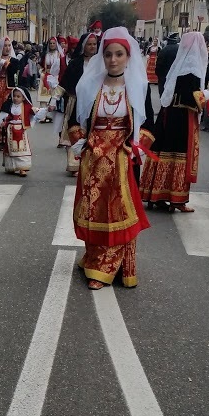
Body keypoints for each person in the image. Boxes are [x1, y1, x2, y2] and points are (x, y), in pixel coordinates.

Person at [68, 27, 154, 289]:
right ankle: (94, 257)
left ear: (128, 57)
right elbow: (75, 121)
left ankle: (108, 266)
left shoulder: (138, 87)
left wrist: (136, 148)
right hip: (94, 158)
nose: (113, 59)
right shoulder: (89, 86)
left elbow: (148, 124)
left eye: (119, 54)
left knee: (118, 212)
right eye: (108, 55)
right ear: (102, 57)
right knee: (93, 210)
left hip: (121, 159)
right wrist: (79, 141)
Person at [141, 31, 209, 213]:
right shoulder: (193, 68)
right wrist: (208, 94)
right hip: (182, 118)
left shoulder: (179, 65)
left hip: (168, 113)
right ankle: (176, 199)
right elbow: (192, 97)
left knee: (163, 151)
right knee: (179, 155)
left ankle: (156, 195)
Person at [58, 33, 98, 175]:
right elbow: (63, 83)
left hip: (95, 103)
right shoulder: (75, 63)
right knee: (75, 132)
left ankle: (91, 163)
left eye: (94, 44)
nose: (92, 47)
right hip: (75, 101)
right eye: (89, 44)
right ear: (83, 46)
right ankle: (75, 164)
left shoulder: (101, 63)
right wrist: (53, 100)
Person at [0, 85, 40, 176]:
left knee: (21, 149)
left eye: (18, 96)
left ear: (23, 98)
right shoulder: (9, 106)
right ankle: (11, 166)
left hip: (21, 130)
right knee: (11, 148)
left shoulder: (26, 107)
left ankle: (23, 168)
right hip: (10, 131)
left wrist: (38, 111)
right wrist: (3, 123)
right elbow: (6, 117)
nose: (15, 98)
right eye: (14, 96)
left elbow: (33, 113)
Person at [155, 32, 180, 97]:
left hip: (164, 77)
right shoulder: (180, 50)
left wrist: (159, 76)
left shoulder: (163, 50)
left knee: (163, 96)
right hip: (176, 78)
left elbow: (158, 66)